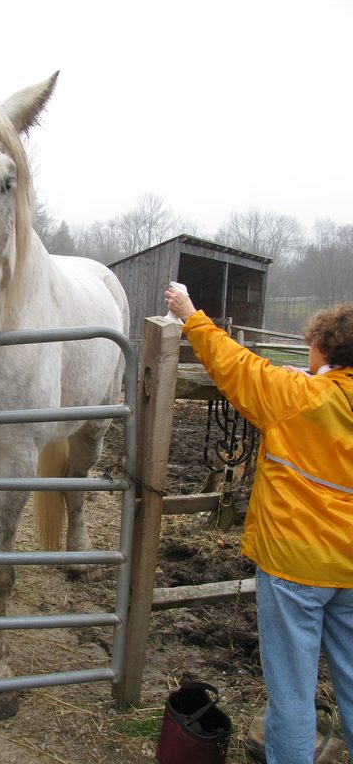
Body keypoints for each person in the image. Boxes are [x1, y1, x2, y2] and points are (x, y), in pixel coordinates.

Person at [164, 286, 353, 764]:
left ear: (325, 348)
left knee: (291, 690)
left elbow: (237, 367)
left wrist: (191, 316)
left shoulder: (296, 397)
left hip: (296, 566)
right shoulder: (311, 390)